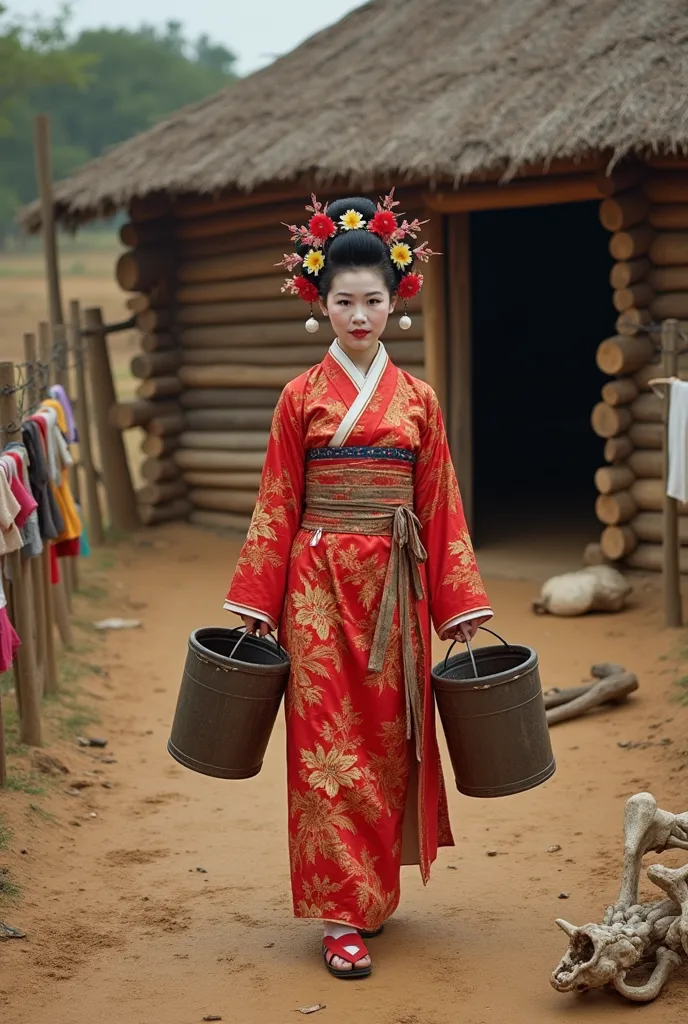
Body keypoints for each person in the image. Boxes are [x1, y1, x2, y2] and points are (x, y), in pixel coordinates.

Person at [225, 192, 492, 978]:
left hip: (396, 591)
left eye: (373, 300)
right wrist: (257, 604)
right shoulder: (299, 399)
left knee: (386, 744)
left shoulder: (419, 403)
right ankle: (339, 913)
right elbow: (276, 500)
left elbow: (440, 503)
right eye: (344, 301)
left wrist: (461, 606)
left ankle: (370, 890)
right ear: (322, 302)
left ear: (396, 298)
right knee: (324, 751)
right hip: (313, 592)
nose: (360, 315)